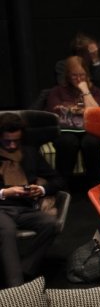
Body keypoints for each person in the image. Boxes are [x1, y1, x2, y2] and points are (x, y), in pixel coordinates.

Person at [0, 112, 64, 288]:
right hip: (1, 208)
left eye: (16, 141)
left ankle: (25, 269)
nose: (12, 145)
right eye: (7, 141)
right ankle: (16, 286)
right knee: (7, 230)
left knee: (51, 224)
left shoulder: (29, 153)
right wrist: (6, 192)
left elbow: (58, 180)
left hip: (26, 208)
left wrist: (41, 189)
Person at [45, 55, 100, 187]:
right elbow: (56, 112)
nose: (79, 79)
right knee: (68, 142)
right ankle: (62, 185)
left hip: (90, 130)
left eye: (82, 75)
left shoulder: (95, 91)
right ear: (68, 76)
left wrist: (85, 91)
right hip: (66, 130)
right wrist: (82, 110)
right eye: (74, 75)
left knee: (91, 142)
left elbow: (98, 114)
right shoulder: (57, 91)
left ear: (87, 75)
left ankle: (96, 185)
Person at [54, 33, 100, 98]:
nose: (94, 55)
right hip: (71, 98)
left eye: (95, 52)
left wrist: (95, 63)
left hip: (96, 98)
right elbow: (64, 85)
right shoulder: (63, 65)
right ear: (80, 53)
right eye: (91, 53)